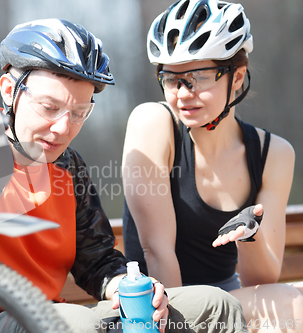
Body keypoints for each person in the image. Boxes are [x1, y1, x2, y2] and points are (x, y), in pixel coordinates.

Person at [0, 18, 249, 333]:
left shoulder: (67, 166)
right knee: (75, 323)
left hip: (53, 316)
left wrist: (130, 289)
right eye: (49, 107)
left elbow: (97, 261)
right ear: (8, 90)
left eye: (78, 113)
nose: (62, 128)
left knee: (214, 306)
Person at [121, 1, 303, 332]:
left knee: (295, 306)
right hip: (156, 306)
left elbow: (261, 280)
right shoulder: (153, 123)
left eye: (199, 77)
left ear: (237, 78)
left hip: (228, 298)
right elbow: (157, 251)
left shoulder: (273, 153)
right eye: (171, 78)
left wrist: (249, 235)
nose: (182, 93)